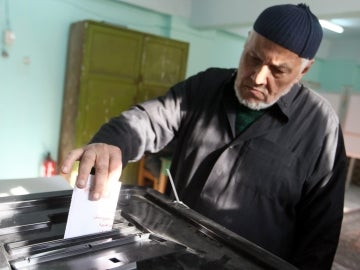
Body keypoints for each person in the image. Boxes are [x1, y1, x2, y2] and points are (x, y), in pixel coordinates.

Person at [61, 3, 347, 269]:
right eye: (253, 58)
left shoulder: (320, 128)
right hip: (170, 256)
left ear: (304, 69)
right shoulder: (206, 87)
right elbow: (148, 120)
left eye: (278, 70)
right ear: (247, 41)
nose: (258, 77)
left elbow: (320, 234)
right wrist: (112, 143)